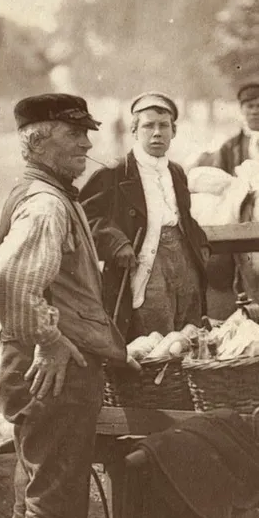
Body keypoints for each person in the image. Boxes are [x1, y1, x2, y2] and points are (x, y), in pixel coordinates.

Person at [0, 93, 129, 518]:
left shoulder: (41, 195)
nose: (88, 145)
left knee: (32, 505)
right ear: (39, 139)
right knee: (54, 512)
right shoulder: (45, 204)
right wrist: (48, 340)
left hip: (42, 373)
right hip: (53, 376)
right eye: (76, 135)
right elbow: (9, 279)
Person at [79, 92, 210, 341]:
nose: (157, 133)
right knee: (154, 340)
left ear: (174, 131)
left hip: (183, 263)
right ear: (134, 130)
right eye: (149, 125)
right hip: (143, 266)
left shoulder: (177, 172)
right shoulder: (116, 172)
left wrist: (201, 244)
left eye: (164, 126)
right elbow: (84, 217)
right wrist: (116, 242)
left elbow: (184, 217)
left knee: (188, 333)